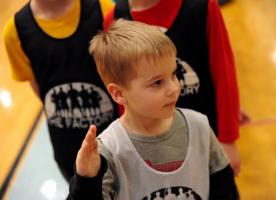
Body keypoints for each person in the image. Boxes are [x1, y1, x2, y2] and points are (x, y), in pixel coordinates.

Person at [68, 19, 238, 200]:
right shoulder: (108, 151)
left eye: (173, 74)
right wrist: (86, 181)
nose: (173, 88)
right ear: (118, 93)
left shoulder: (199, 126)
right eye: (157, 82)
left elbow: (224, 187)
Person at [103, 0, 243, 175]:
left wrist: (228, 139)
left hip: (205, 138)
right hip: (154, 149)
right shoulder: (113, 19)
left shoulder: (202, 6)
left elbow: (224, 73)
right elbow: (124, 95)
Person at [3, 0, 119, 182]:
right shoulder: (15, 31)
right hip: (66, 146)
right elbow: (39, 89)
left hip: (113, 138)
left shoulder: (104, 10)